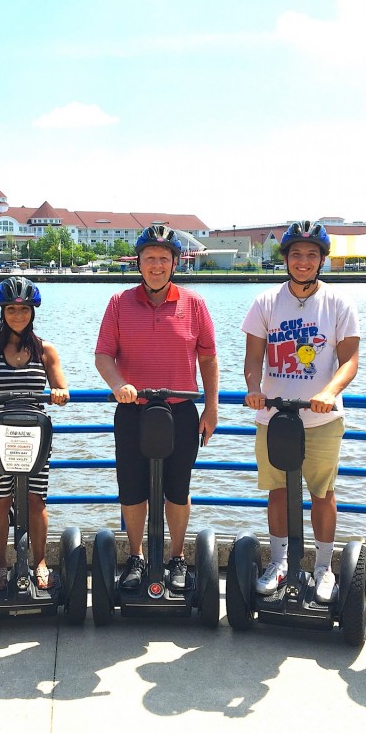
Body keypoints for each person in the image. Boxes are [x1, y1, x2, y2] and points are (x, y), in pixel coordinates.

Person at [95, 224, 219, 591]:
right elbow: (103, 355)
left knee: (177, 489)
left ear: (175, 264)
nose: (157, 265)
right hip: (133, 410)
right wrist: (119, 385)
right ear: (139, 263)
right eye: (150, 258)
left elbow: (209, 358)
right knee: (132, 489)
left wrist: (211, 408)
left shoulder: (194, 304)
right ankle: (136, 557)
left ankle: (176, 557)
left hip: (181, 411)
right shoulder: (119, 303)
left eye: (164, 259)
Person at [243, 220, 360, 604]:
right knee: (277, 492)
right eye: (296, 254)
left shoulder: (339, 303)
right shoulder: (265, 302)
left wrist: (328, 391)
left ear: (322, 260)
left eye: (311, 254)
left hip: (322, 418)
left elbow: (350, 362)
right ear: (287, 259)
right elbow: (253, 359)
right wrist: (254, 390)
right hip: (274, 417)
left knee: (323, 494)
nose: (303, 261)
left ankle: (324, 567)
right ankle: (278, 562)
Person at [0, 276, 69, 592]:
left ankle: (39, 562)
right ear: (3, 312)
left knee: (36, 502)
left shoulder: (45, 349)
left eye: (23, 310)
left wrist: (60, 394)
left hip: (35, 439)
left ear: (32, 312)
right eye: (12, 310)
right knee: (0, 501)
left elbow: (61, 386)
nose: (18, 316)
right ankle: (0, 565)